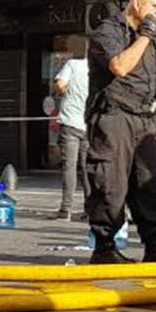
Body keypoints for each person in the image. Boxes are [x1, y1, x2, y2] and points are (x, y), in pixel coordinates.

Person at [84, 0, 156, 264]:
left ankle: (155, 246)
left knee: (149, 184)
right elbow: (120, 66)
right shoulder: (109, 31)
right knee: (110, 183)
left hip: (143, 119)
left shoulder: (151, 41)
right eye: (155, 6)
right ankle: (104, 248)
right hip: (114, 116)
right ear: (137, 3)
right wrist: (145, 35)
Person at [48, 46, 90, 221]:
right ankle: (91, 208)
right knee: (88, 168)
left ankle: (66, 209)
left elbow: (60, 85)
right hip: (89, 124)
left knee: (69, 167)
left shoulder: (73, 64)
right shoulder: (100, 71)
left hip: (70, 122)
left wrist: (64, 93)